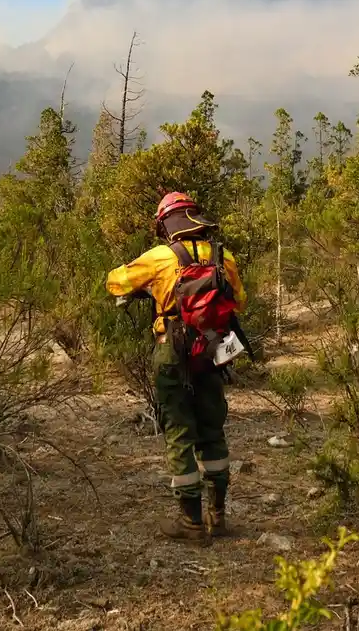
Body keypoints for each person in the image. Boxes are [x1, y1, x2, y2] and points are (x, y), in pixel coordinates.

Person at [106, 191, 246, 540]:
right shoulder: (222, 256)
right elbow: (239, 301)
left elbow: (115, 281)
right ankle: (218, 515)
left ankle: (190, 521)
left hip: (172, 352)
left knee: (180, 433)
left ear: (166, 225)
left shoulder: (161, 257)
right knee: (212, 431)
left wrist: (155, 289)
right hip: (213, 351)